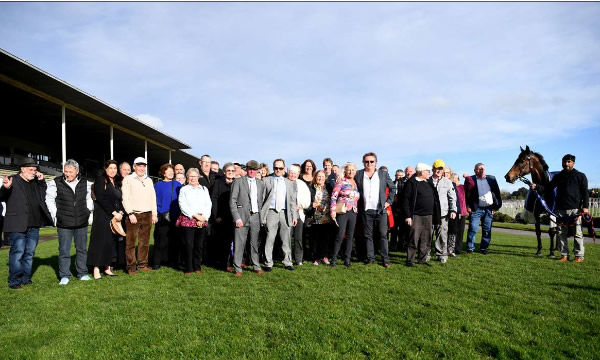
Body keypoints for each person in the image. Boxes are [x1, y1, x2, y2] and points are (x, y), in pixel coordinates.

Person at [1, 157, 53, 289]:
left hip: (34, 224)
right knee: (17, 253)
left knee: (29, 253)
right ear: (22, 169)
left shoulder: (35, 182)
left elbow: (43, 195)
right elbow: (1, 196)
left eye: (35, 170)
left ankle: (26, 278)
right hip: (17, 224)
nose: (34, 172)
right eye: (31, 169)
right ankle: (14, 281)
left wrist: (41, 182)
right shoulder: (13, 180)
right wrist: (5, 188)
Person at [532, 154, 589, 262]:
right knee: (561, 233)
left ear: (573, 163)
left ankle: (579, 256)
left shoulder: (580, 176)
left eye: (569, 162)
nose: (566, 164)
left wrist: (585, 207)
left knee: (577, 233)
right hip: (560, 210)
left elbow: (585, 193)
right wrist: (536, 187)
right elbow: (548, 188)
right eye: (565, 162)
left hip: (575, 209)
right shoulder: (558, 176)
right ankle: (564, 255)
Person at [45, 159, 93, 284]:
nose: (68, 174)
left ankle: (82, 273)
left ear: (77, 171)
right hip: (64, 223)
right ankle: (64, 275)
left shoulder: (85, 183)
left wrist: (88, 211)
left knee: (82, 249)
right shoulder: (56, 182)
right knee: (64, 250)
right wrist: (56, 215)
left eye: (70, 172)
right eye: (66, 171)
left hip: (81, 222)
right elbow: (49, 199)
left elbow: (89, 199)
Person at [354, 152, 395, 268]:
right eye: (366, 161)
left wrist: (389, 202)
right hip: (366, 210)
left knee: (383, 235)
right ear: (363, 163)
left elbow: (393, 188)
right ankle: (370, 258)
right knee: (368, 236)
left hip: (380, 210)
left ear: (376, 162)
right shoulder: (359, 174)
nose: (369, 164)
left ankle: (385, 259)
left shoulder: (383, 174)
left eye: (371, 161)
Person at [87, 160, 124, 279]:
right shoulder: (100, 179)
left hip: (115, 216)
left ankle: (107, 268)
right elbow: (101, 198)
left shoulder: (117, 182)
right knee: (100, 242)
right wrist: (113, 212)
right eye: (110, 168)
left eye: (115, 168)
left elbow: (119, 199)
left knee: (111, 243)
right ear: (106, 169)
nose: (113, 170)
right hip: (102, 216)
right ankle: (96, 269)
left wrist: (120, 212)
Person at [121, 157, 158, 274]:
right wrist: (130, 213)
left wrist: (154, 214)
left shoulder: (149, 180)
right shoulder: (128, 179)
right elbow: (125, 198)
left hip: (147, 214)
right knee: (131, 243)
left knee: (144, 242)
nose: (142, 168)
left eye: (143, 166)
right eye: (139, 165)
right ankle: (131, 267)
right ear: (134, 167)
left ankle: (142, 265)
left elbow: (153, 198)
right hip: (133, 214)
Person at [260, 159, 298, 271]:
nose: (278, 170)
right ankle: (268, 263)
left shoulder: (290, 183)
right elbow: (262, 199)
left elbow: (292, 201)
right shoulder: (266, 180)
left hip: (285, 212)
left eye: (280, 168)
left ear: (284, 169)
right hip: (271, 211)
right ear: (273, 168)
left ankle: (287, 261)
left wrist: (294, 216)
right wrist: (263, 215)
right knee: (269, 238)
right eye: (276, 168)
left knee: (286, 239)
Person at [229, 160, 265, 276]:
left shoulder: (260, 184)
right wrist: (237, 218)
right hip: (241, 216)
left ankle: (256, 265)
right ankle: (238, 268)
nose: (252, 171)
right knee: (239, 243)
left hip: (255, 216)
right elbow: (232, 201)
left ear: (257, 170)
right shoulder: (238, 181)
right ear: (246, 169)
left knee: (255, 243)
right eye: (250, 169)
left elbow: (262, 201)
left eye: (254, 170)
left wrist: (260, 217)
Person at [402, 163, 440, 267]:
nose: (429, 173)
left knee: (426, 239)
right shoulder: (412, 183)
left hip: (429, 215)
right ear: (421, 172)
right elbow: (405, 200)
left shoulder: (428, 183)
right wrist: (408, 216)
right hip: (416, 215)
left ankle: (422, 260)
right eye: (427, 171)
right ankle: (410, 260)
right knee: (413, 238)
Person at [177, 168, 212, 274]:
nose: (192, 178)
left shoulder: (204, 189)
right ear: (187, 178)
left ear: (198, 177)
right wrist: (196, 216)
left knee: (199, 245)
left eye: (194, 176)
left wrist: (204, 217)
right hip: (189, 219)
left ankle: (197, 267)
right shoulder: (184, 189)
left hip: (202, 220)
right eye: (190, 176)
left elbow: (208, 204)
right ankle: (188, 267)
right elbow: (182, 205)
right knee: (189, 245)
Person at [464, 163, 502, 254]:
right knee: (473, 228)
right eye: (479, 168)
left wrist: (496, 207)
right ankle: (470, 248)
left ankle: (483, 248)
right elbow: (466, 194)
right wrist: (468, 206)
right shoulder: (470, 179)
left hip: (489, 209)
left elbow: (497, 193)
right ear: (475, 171)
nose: (482, 170)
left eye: (483, 168)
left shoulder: (491, 179)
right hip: (476, 209)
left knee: (487, 230)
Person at [330, 163, 360, 267]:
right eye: (349, 170)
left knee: (350, 237)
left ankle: (347, 259)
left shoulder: (356, 183)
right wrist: (332, 211)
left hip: (353, 212)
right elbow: (334, 196)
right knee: (339, 235)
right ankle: (333, 258)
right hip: (343, 211)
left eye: (353, 170)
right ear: (345, 171)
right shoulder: (341, 181)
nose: (351, 172)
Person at [152, 163, 181, 270]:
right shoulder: (157, 185)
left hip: (175, 215)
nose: (171, 173)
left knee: (174, 240)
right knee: (160, 240)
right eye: (168, 171)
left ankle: (172, 261)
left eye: (172, 171)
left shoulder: (178, 184)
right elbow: (153, 200)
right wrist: (155, 214)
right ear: (163, 172)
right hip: (162, 216)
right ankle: (156, 262)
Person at [428, 160, 457, 264]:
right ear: (433, 169)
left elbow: (452, 197)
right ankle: (426, 254)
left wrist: (453, 210)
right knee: (427, 235)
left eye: (441, 169)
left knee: (442, 235)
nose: (439, 170)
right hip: (429, 213)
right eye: (437, 168)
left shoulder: (447, 182)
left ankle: (441, 254)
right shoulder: (427, 180)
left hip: (443, 213)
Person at [211, 162, 236, 271]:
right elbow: (214, 199)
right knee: (224, 241)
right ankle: (223, 264)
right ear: (224, 172)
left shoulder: (237, 183)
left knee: (234, 241)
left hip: (234, 216)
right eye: (228, 171)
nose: (230, 173)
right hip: (222, 216)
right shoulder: (218, 183)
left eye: (232, 171)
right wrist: (216, 215)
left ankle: (233, 262)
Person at [288, 164, 312, 265]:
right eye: (291, 173)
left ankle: (298, 259)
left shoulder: (302, 184)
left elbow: (307, 200)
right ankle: (287, 258)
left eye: (295, 173)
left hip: (299, 213)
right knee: (287, 237)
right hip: (287, 213)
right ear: (288, 173)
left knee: (298, 238)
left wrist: (301, 205)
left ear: (298, 174)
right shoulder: (284, 182)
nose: (293, 175)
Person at [309, 170, 333, 265]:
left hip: (326, 217)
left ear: (325, 178)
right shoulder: (311, 188)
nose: (320, 178)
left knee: (326, 239)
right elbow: (308, 200)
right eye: (319, 176)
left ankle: (325, 256)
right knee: (316, 239)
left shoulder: (328, 187)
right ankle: (316, 258)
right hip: (315, 217)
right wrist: (311, 204)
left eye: (322, 176)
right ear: (315, 177)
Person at [448, 173, 467, 256]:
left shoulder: (462, 187)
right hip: (454, 211)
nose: (454, 179)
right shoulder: (451, 186)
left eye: (455, 178)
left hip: (462, 211)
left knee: (461, 231)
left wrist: (467, 177)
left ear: (458, 179)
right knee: (453, 230)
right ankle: (451, 248)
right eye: (453, 178)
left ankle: (458, 248)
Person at [390, 169, 405, 251]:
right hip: (393, 208)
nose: (398, 177)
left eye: (400, 176)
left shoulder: (405, 184)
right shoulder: (392, 183)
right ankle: (392, 245)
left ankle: (401, 245)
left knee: (402, 229)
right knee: (393, 229)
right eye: (397, 175)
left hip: (402, 209)